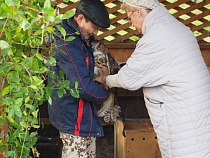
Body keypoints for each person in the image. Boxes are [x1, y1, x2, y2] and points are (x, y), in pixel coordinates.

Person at [94, 0, 210, 157]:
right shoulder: (177, 28)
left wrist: (106, 80)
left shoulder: (158, 35)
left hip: (184, 122)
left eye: (129, 18)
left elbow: (129, 78)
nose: (130, 24)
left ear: (138, 12)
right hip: (194, 114)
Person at [47, 0, 110, 157]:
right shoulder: (68, 41)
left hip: (81, 115)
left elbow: (81, 75)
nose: (96, 32)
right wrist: (107, 94)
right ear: (80, 18)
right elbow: (82, 86)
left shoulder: (79, 37)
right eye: (94, 27)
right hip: (73, 117)